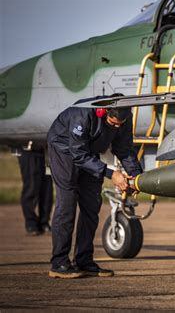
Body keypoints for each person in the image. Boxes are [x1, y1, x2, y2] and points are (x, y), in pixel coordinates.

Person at [46, 95, 142, 279]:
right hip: (65, 151)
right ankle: (59, 263)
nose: (116, 127)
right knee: (67, 204)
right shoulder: (83, 114)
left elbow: (125, 149)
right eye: (113, 123)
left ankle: (84, 261)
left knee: (91, 205)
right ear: (103, 112)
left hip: (88, 152)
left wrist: (136, 177)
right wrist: (112, 174)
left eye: (120, 124)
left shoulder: (123, 118)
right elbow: (78, 155)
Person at [17, 146, 53, 235]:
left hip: (46, 153)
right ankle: (31, 223)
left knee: (47, 189)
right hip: (28, 150)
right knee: (31, 187)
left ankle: (44, 222)